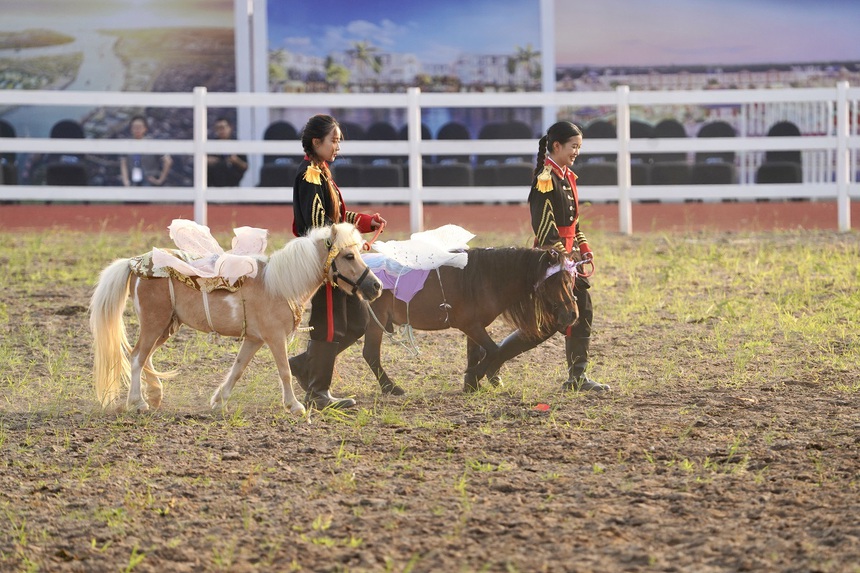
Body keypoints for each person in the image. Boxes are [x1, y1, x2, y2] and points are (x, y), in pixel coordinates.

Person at [495, 121, 610, 393]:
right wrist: (564, 257)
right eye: (573, 147)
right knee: (547, 323)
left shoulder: (566, 176)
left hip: (567, 261)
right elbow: (544, 228)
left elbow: (573, 223)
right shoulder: (546, 179)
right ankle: (491, 360)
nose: (577, 152)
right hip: (553, 260)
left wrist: (583, 247)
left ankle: (577, 377)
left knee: (578, 312)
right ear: (556, 146)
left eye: (579, 147)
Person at [289, 114, 386, 409]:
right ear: (316, 142)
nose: (337, 147)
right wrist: (349, 242)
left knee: (358, 322)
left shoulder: (321, 172)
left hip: (338, 261)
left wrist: (364, 222)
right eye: (333, 141)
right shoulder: (309, 176)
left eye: (338, 141)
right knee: (328, 325)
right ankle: (318, 392)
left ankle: (304, 365)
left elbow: (337, 217)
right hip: (327, 265)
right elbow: (320, 228)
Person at [120, 115, 172, 187]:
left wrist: (160, 180)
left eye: (139, 127)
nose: (137, 130)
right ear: (131, 129)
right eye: (134, 127)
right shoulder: (127, 145)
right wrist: (125, 181)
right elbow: (123, 163)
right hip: (133, 181)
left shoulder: (152, 144)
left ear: (145, 128)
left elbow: (168, 161)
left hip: (149, 181)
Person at [207, 117, 248, 187]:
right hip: (215, 183)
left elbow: (245, 166)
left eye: (223, 127)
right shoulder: (211, 145)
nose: (221, 131)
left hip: (232, 182)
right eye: (218, 128)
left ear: (230, 128)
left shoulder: (237, 145)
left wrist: (236, 161)